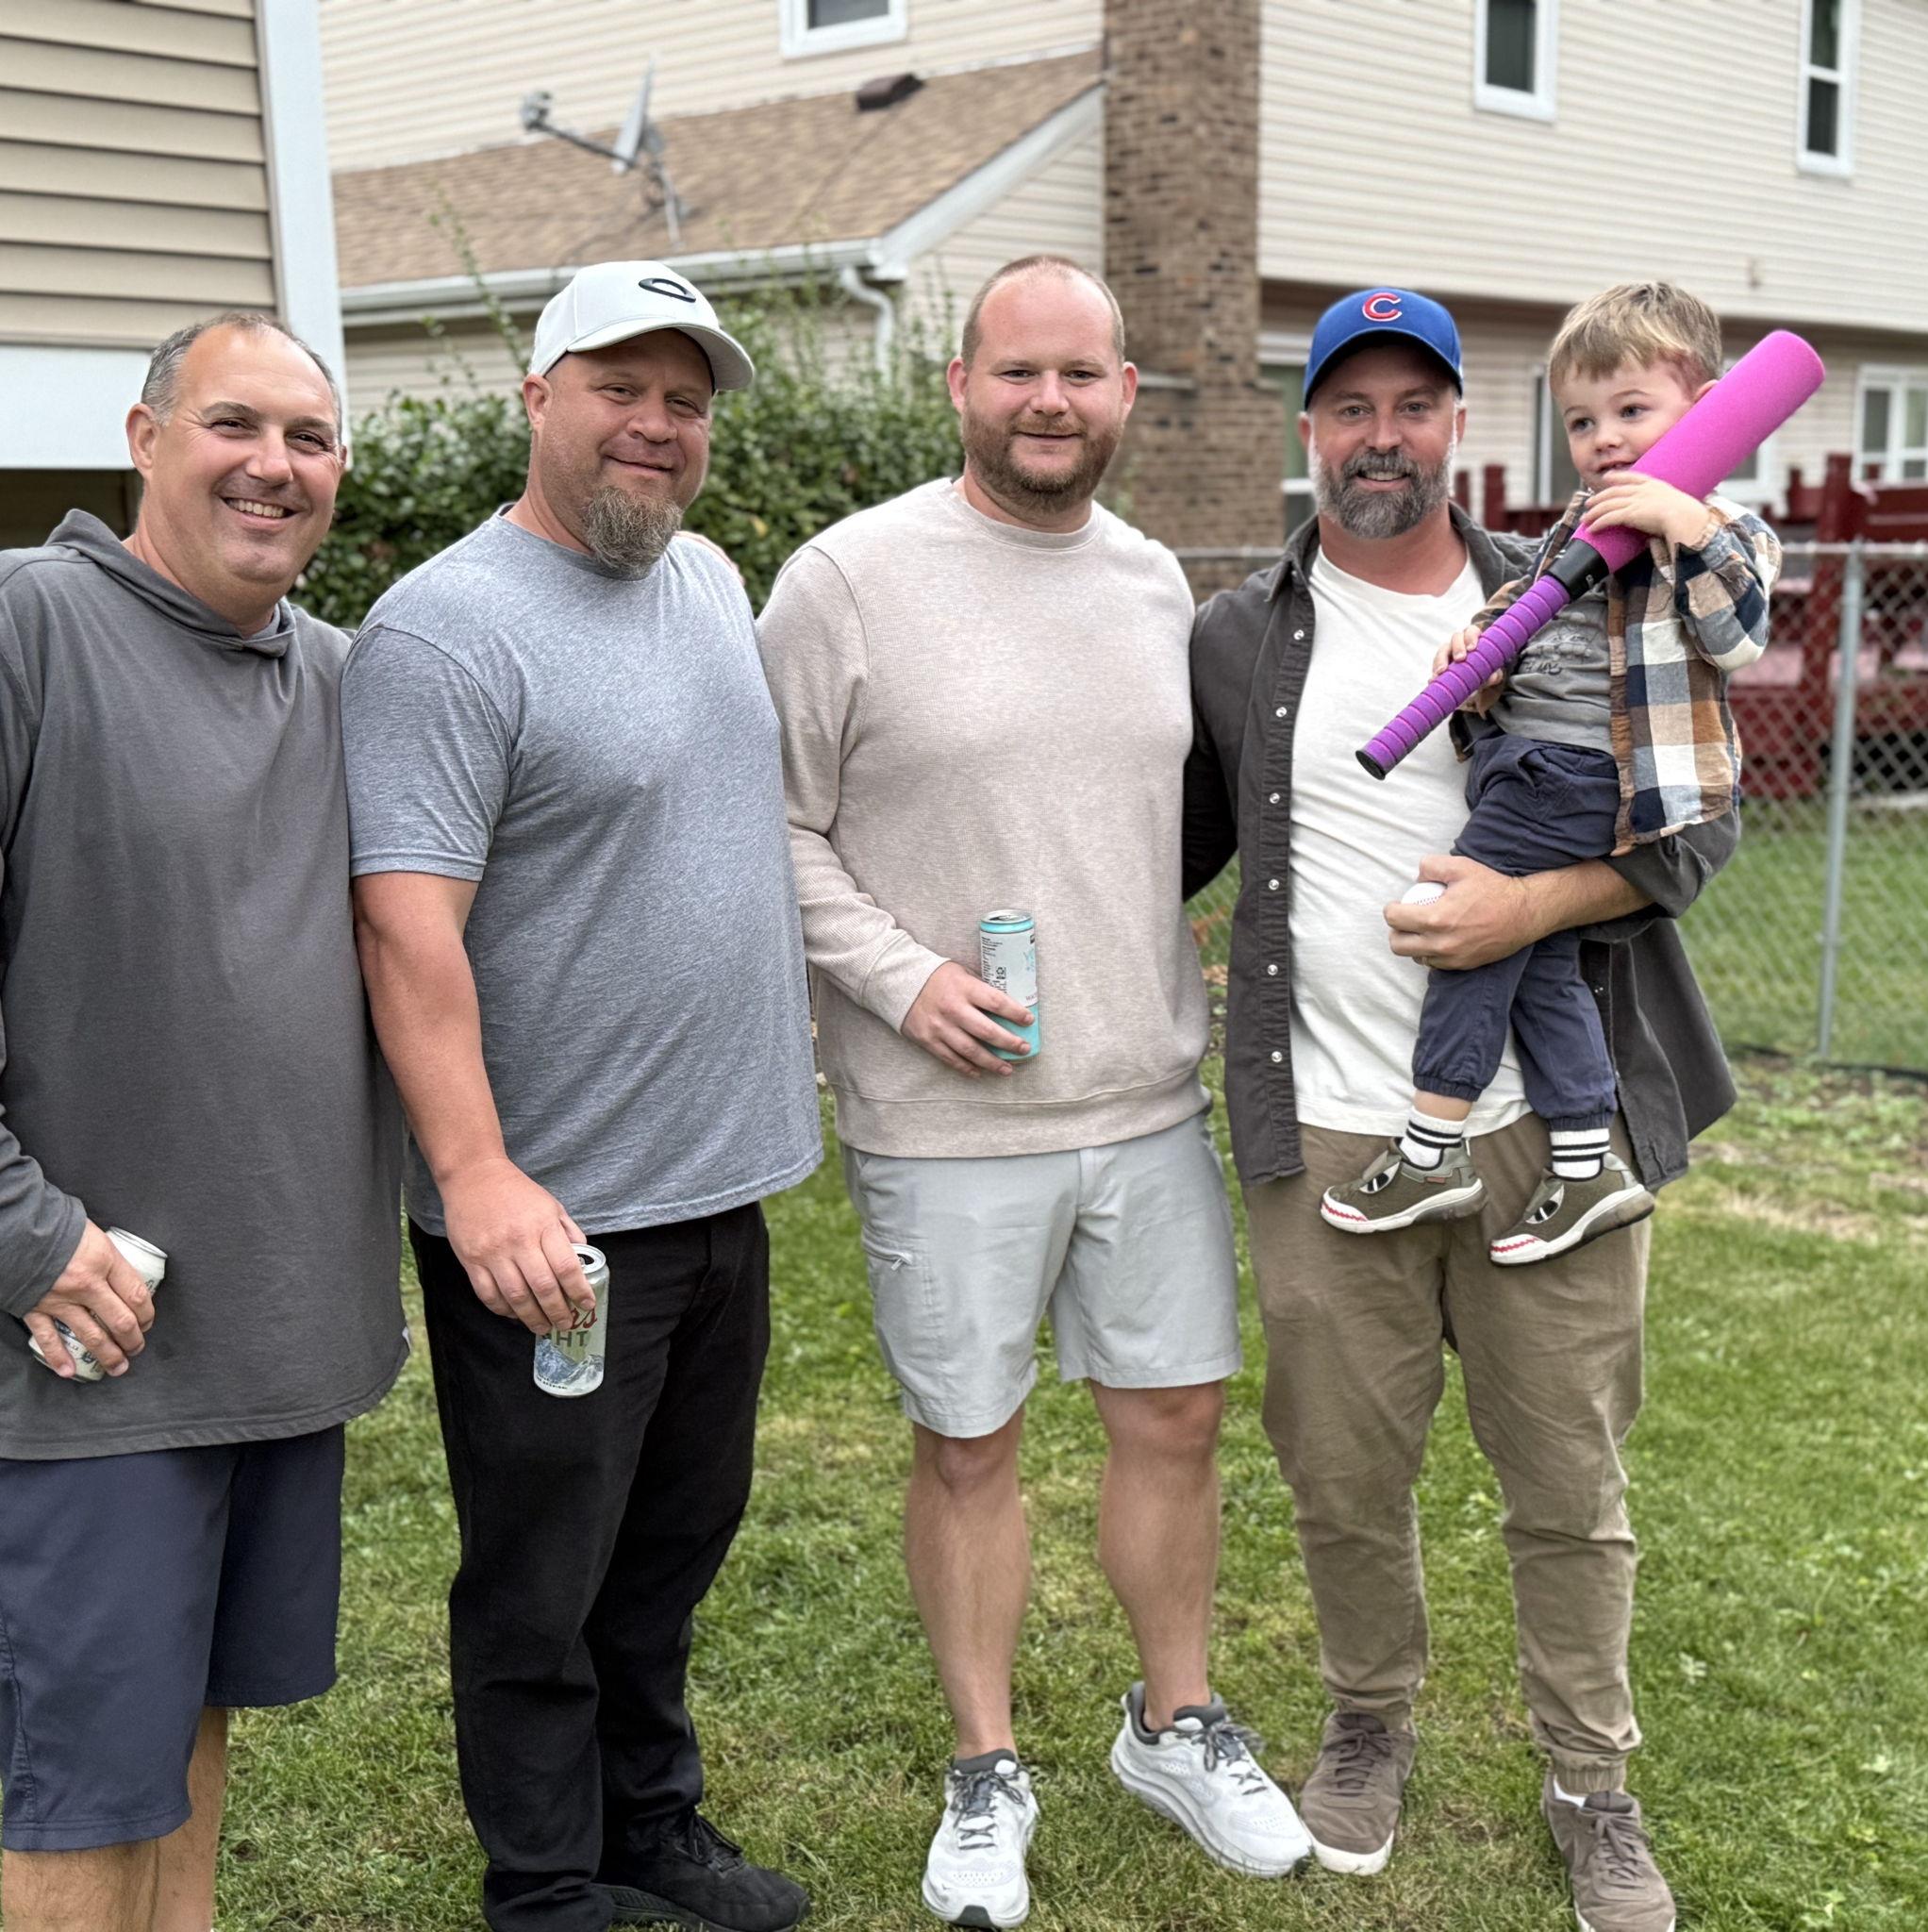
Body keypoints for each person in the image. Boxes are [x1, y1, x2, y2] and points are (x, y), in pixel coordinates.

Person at [757, 255, 1310, 1931]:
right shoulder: (844, 581)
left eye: (1081, 374)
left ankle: (1171, 1719)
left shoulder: (1161, 591)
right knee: (968, 1439)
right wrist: (903, 977)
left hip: (1139, 1095)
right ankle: (987, 1762)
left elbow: (1189, 822)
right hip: (942, 1113)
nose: (1048, 402)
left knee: (1175, 1416)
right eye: (1016, 372)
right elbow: (766, 825)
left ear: (1126, 394)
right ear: (960, 386)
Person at [1187, 286, 1741, 1932]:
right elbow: (1168, 845)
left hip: (1538, 1132)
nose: (1379, 438)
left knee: (1565, 1482)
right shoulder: (1236, 633)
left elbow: (1691, 839)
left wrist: (1523, 911)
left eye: (1409, 407)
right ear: (1309, 429)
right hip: (1332, 1131)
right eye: (1345, 407)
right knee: (1342, 1470)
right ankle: (1366, 1720)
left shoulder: (1578, 582)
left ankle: (1591, 1779)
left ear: (1454, 428)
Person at [341, 260, 821, 1932]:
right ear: (535, 395)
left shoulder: (703, 579)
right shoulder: (445, 629)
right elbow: (406, 930)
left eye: (685, 401)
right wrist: (475, 1177)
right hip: (554, 1219)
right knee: (542, 1577)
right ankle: (546, 1884)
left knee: (669, 1546)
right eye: (620, 386)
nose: (657, 426)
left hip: (716, 1184)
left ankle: (653, 1829)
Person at [0, 313, 406, 1932]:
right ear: (145, 434)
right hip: (85, 1339)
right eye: (236, 422)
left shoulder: (338, 673)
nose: (275, 465)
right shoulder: (34, 624)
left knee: (186, 1737)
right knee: (76, 1784)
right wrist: (27, 1231)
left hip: (270, 1337)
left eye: (310, 438)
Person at [1319, 281, 1778, 1263]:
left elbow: (1737, 638)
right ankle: (1584, 1160)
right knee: (1540, 966)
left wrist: (1683, 525)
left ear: (1702, 411)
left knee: (1466, 931)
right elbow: (1527, 604)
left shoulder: (1716, 528)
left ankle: (1432, 1142)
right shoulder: (1579, 521)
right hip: (1522, 758)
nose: (1604, 438)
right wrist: (1472, 643)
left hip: (1573, 776)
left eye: (1630, 411)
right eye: (1580, 419)